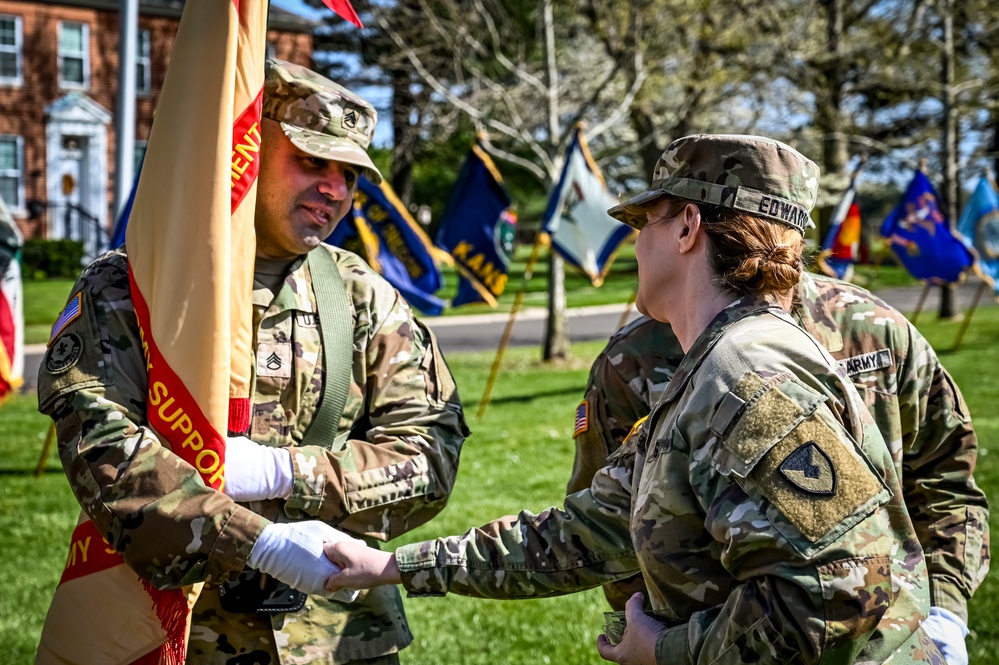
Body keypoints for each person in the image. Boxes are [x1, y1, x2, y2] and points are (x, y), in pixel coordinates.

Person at [323, 134, 944, 664]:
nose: (635, 242)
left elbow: (842, 591)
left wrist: (668, 651)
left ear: (688, 227)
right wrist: (394, 567)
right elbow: (588, 530)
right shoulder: (714, 362)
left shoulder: (744, 372)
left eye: (646, 221)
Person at [36, 59, 467, 665]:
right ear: (246, 149)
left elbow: (430, 456)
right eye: (313, 161)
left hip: (338, 639)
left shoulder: (362, 295)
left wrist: (285, 473)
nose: (336, 189)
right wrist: (257, 542)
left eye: (349, 173)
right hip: (178, 634)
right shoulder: (133, 287)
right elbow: (103, 451)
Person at [569, 271, 989, 663]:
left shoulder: (875, 328)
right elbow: (605, 520)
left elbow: (943, 477)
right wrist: (663, 640)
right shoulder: (634, 360)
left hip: (894, 645)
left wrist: (946, 613)